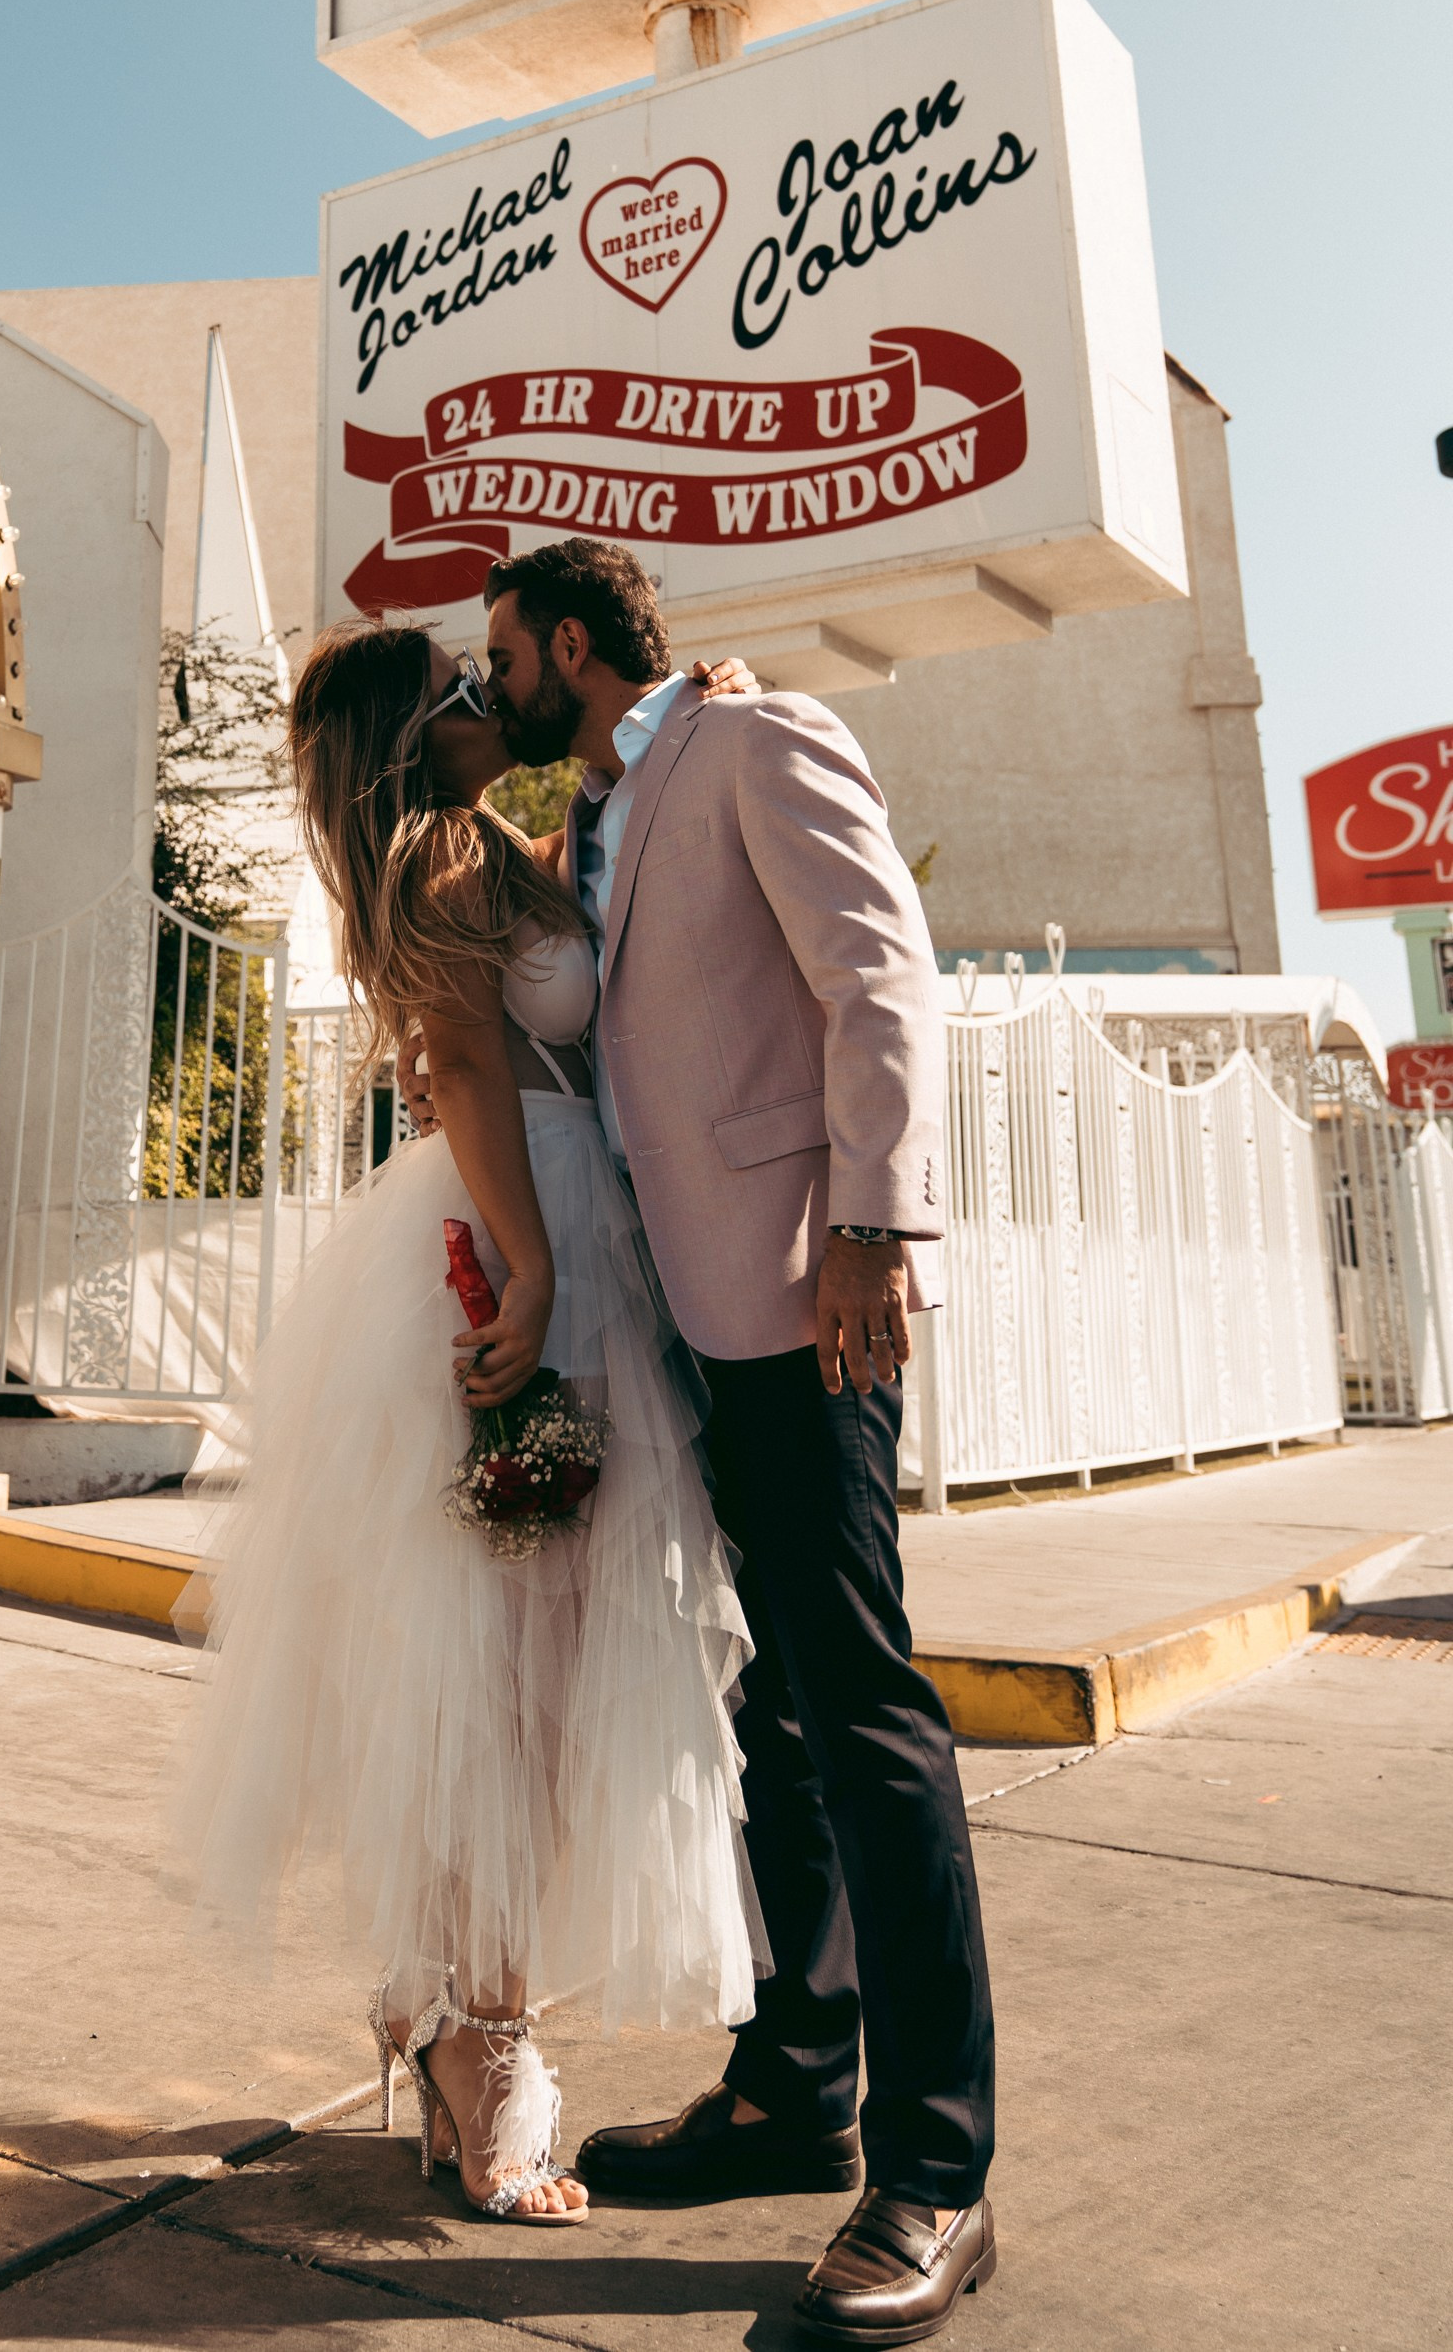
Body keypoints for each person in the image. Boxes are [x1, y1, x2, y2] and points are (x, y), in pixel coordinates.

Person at [454, 538, 998, 2344]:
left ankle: (937, 2173)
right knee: (773, 1707)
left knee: (861, 1703)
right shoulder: (605, 812)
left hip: (802, 1287)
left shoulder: (758, 742)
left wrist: (873, 1223)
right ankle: (794, 2087)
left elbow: (879, 976)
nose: (493, 685)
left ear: (573, 643)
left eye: (503, 656)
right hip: (686, 1312)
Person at [166, 620, 767, 2227]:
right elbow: (470, 1064)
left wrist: (689, 705)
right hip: (520, 1252)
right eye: (453, 688)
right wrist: (534, 1270)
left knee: (529, 1670)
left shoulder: (496, 844)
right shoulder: (434, 858)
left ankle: (447, 2005)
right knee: (511, 1678)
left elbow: (588, 911)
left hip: (563, 1241)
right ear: (408, 738)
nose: (482, 696)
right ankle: (476, 2036)